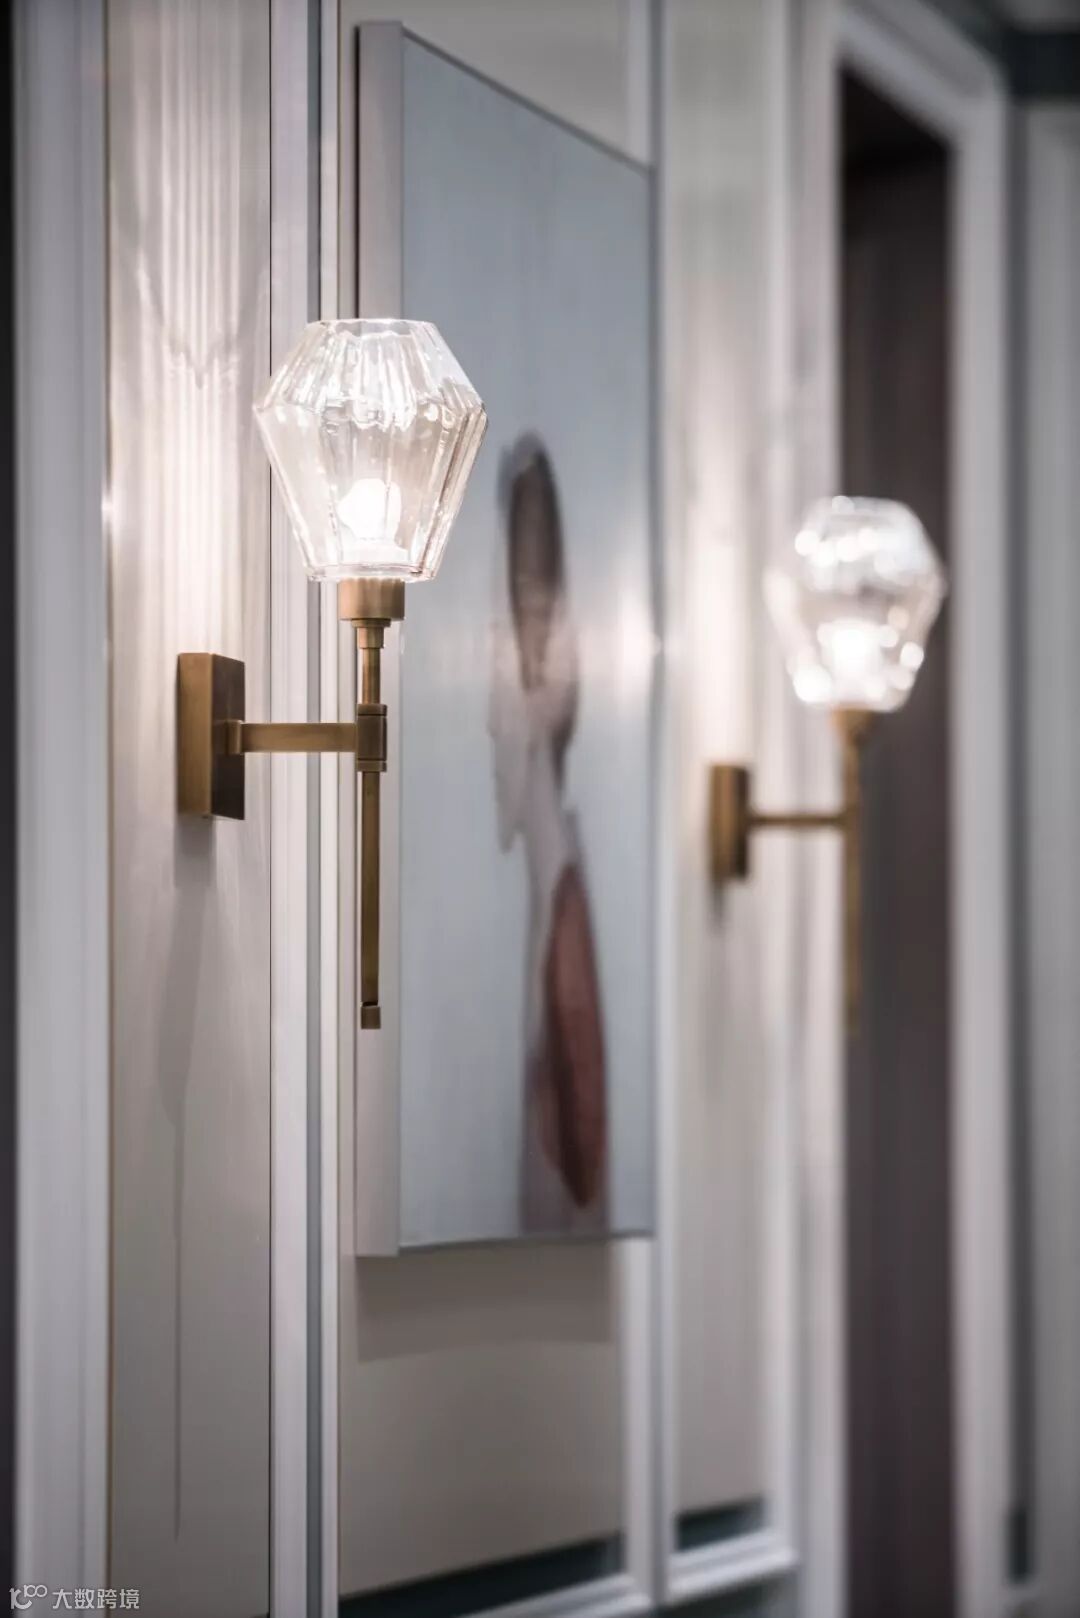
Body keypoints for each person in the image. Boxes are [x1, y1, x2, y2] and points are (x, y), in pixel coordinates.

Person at [488, 435, 608, 1233]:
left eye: (543, 598)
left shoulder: (562, 888)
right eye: (521, 601)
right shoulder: (546, 888)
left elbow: (583, 1162)